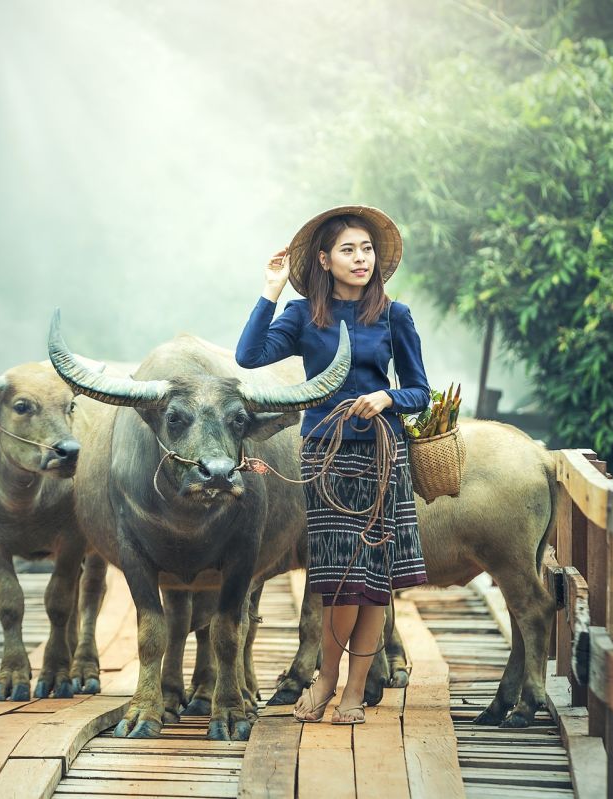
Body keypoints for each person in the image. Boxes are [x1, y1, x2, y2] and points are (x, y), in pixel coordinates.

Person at [235, 205, 431, 725]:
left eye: (367, 249)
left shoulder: (395, 315)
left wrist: (388, 398)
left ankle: (352, 691)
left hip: (382, 456)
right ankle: (324, 678)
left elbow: (419, 391)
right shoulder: (302, 316)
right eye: (348, 249)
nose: (360, 258)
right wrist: (271, 289)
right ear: (324, 259)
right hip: (326, 454)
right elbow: (249, 356)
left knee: (372, 583)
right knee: (340, 578)